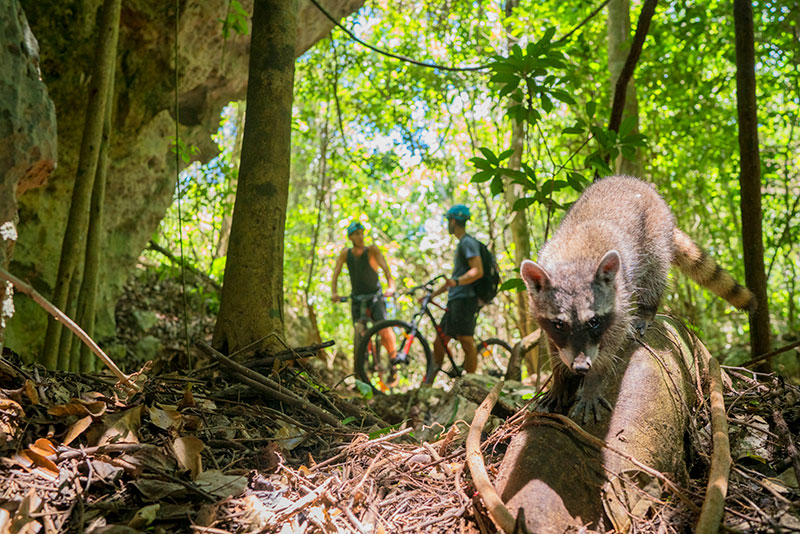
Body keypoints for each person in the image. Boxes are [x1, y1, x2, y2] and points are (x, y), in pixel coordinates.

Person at [428, 204, 483, 377]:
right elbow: (453, 281)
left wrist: (457, 281)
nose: (447, 224)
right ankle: (428, 383)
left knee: (466, 340)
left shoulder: (467, 242)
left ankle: (471, 381)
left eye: (448, 220)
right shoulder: (462, 244)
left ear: (454, 221)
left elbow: (477, 270)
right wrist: (432, 295)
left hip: (465, 300)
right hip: (455, 300)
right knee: (439, 341)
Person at [331, 222, 397, 367]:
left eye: (361, 233)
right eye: (356, 234)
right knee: (359, 330)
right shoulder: (346, 254)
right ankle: (360, 368)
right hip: (357, 298)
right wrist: (334, 293)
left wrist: (391, 287)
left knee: (383, 328)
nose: (360, 237)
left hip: (375, 297)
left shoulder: (372, 251)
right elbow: (336, 274)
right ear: (350, 237)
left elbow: (386, 270)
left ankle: (394, 358)